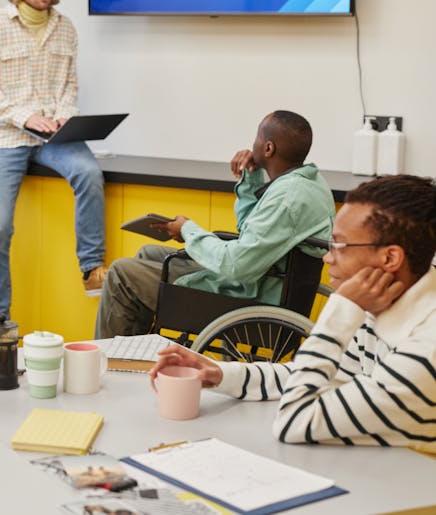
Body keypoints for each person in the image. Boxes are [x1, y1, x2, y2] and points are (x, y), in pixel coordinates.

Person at [150, 175, 436, 452]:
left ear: (389, 258)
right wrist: (221, 373)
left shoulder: (427, 348)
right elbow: (318, 376)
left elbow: (295, 419)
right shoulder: (383, 305)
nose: (327, 257)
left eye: (339, 245)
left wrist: (340, 311)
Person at [95, 110, 335, 338]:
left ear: (269, 148)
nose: (252, 145)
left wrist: (188, 230)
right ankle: (135, 354)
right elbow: (250, 231)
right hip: (268, 279)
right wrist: (250, 178)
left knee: (121, 274)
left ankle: (109, 364)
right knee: (149, 253)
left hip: (252, 296)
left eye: (257, 139)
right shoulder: (307, 183)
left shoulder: (287, 198)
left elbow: (237, 264)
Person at [0, 0, 107, 322]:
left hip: (53, 137)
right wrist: (25, 117)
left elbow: (69, 88)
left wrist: (63, 117)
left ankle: (92, 268)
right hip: (3, 138)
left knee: (90, 173)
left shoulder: (66, 28)